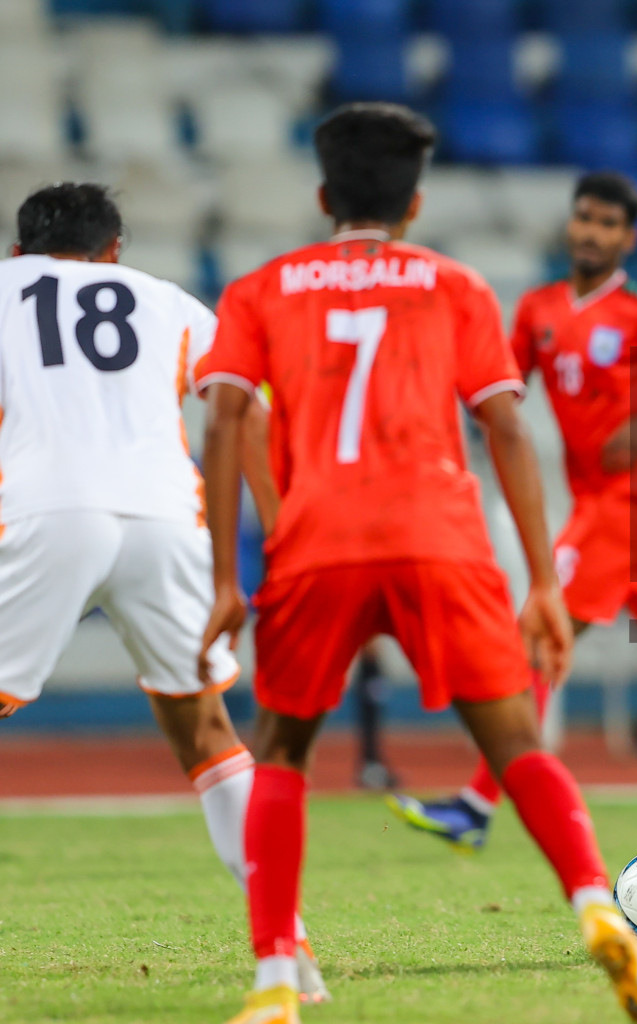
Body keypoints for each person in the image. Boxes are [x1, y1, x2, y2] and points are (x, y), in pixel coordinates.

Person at [196, 105, 637, 1024]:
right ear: (414, 204)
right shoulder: (455, 286)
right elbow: (503, 426)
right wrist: (540, 580)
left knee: (282, 753)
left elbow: (224, 420)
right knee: (515, 748)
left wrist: (225, 579)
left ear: (325, 195)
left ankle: (272, 982)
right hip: (440, 538)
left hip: (318, 539)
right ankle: (594, 905)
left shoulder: (261, 290)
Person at [0, 183, 329, 1002]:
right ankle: (290, 953)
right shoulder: (172, 302)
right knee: (209, 730)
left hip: (46, 511)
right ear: (114, 251)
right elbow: (243, 409)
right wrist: (282, 531)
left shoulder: (3, 290)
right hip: (165, 521)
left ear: (19, 251)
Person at [385, 170, 637, 848]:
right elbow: (498, 391)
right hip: (619, 509)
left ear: (628, 238)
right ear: (570, 224)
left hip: (627, 505)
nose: (591, 232)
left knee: (538, 641)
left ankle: (476, 807)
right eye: (584, 218)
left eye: (607, 224)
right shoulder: (540, 310)